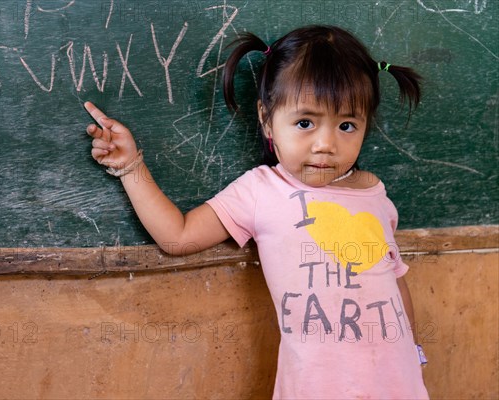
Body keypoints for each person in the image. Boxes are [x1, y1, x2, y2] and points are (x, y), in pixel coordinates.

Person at [84, 25, 428, 399]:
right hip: (316, 386)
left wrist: (414, 354)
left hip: (397, 383)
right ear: (267, 119)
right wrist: (132, 167)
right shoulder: (262, 190)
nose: (326, 144)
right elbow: (178, 236)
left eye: (347, 125)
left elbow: (393, 281)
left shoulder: (373, 193)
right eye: (305, 123)